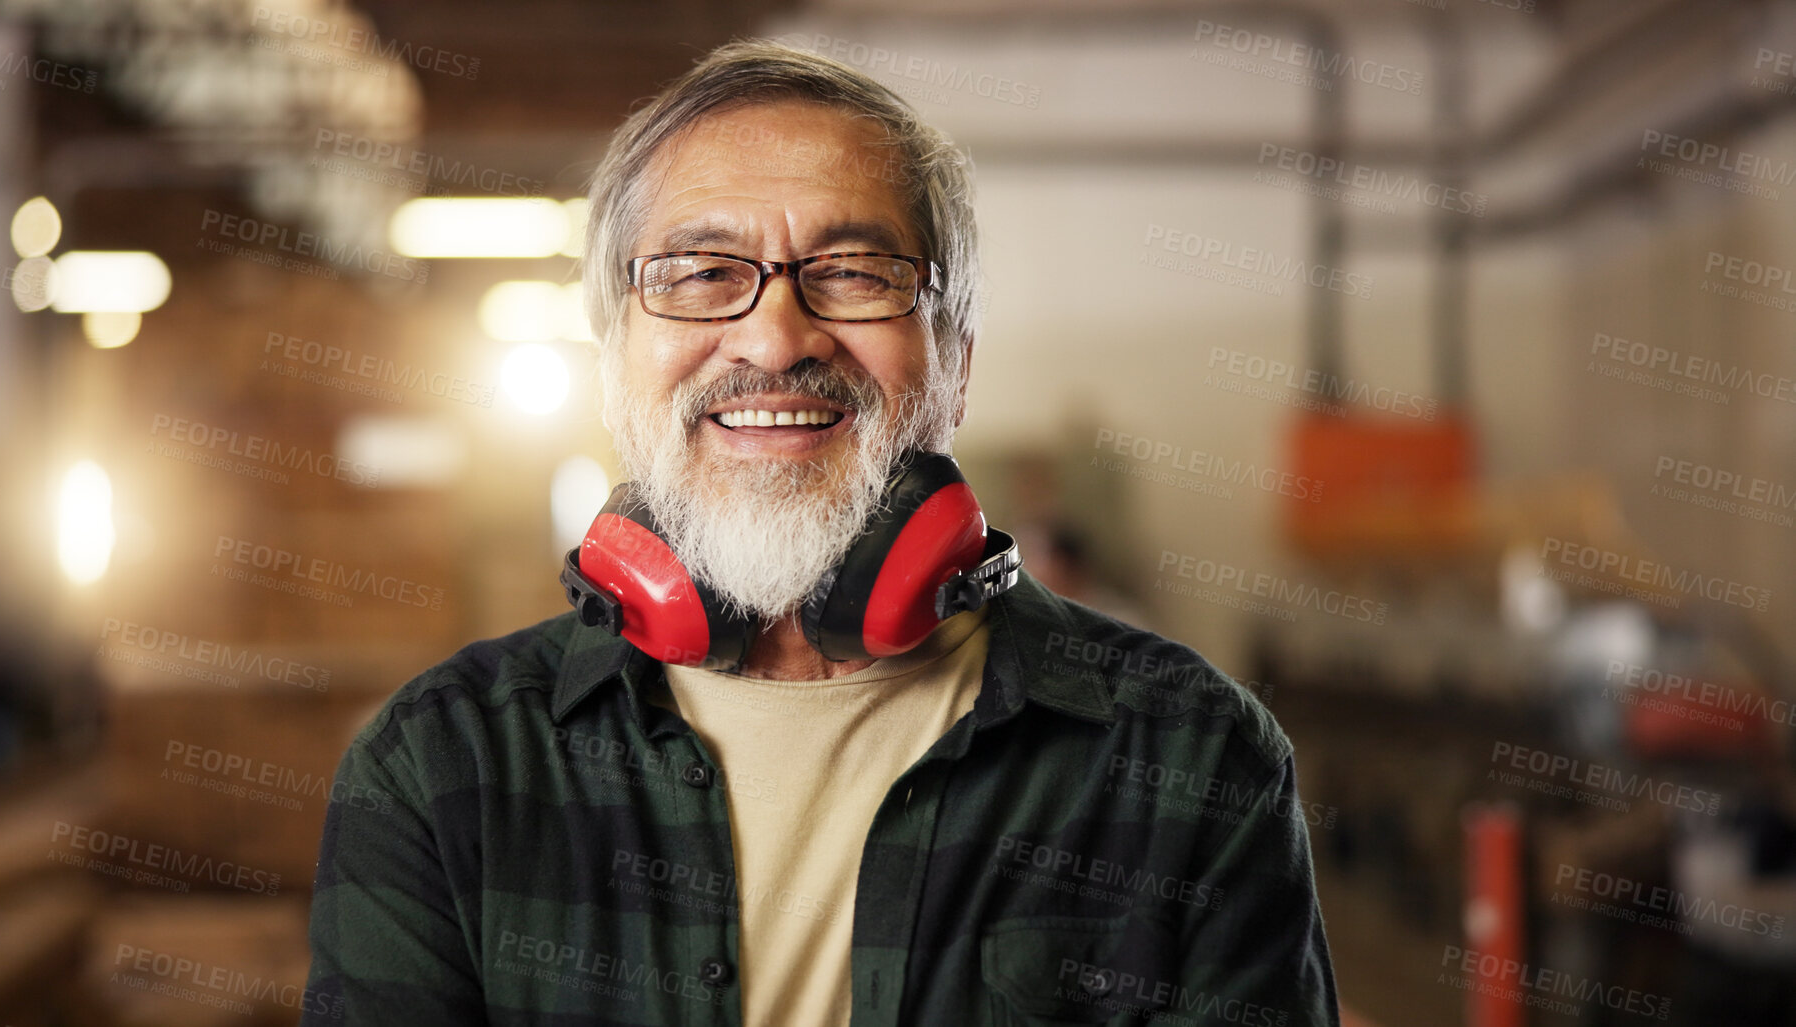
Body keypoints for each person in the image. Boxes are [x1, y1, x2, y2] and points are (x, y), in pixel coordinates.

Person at [303, 38, 1339, 1026]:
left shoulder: (1196, 756)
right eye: (701, 273)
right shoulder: (437, 770)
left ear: (957, 361)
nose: (774, 335)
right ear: (615, 357)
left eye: (853, 270)